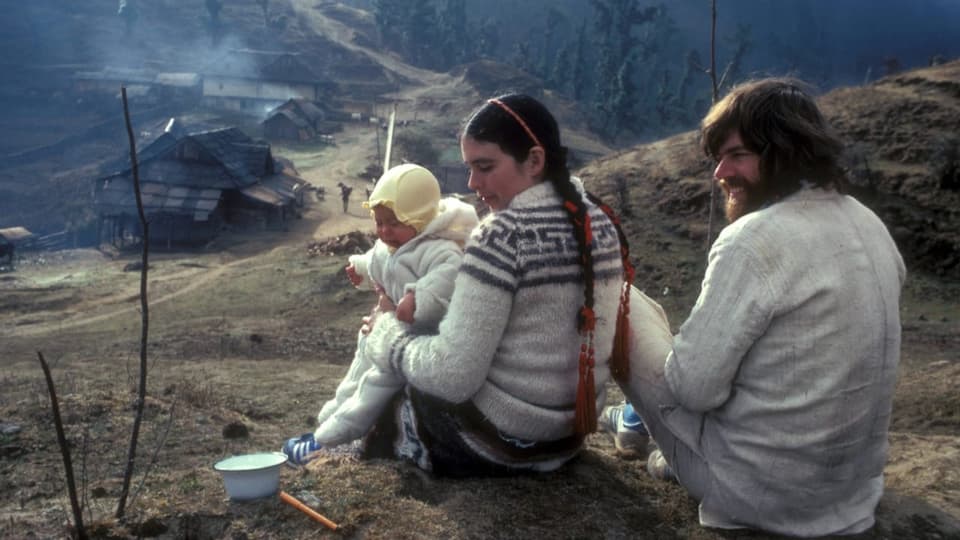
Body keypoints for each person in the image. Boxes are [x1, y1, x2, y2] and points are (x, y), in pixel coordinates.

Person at [613, 77, 906, 536]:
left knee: (620, 305)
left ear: (786, 152)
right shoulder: (869, 224)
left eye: (738, 155)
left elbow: (694, 391)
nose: (720, 173)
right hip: (846, 497)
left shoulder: (753, 240)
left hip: (757, 499)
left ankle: (641, 433)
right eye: (719, 157)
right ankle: (652, 436)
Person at [352, 93, 637, 476]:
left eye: (484, 167)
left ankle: (331, 446)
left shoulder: (502, 236)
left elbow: (453, 376)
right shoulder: (598, 220)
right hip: (567, 438)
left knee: (387, 382)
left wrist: (387, 334)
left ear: (534, 160)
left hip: (496, 440)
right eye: (469, 168)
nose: (473, 183)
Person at [283, 163, 479, 464]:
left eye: (394, 223)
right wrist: (358, 269)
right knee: (355, 374)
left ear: (421, 218)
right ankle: (325, 422)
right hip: (384, 332)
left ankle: (329, 440)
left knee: (373, 385)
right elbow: (374, 261)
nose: (384, 231)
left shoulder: (440, 250)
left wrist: (417, 297)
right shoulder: (389, 245)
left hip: (413, 340)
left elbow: (446, 279)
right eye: (379, 222)